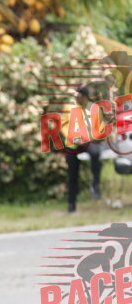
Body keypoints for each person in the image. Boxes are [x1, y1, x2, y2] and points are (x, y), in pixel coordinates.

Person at [61, 85, 103, 213]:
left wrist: (87, 138)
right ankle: (71, 205)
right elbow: (63, 125)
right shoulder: (69, 107)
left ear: (85, 97)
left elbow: (98, 128)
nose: (77, 99)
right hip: (72, 145)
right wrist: (73, 138)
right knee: (72, 176)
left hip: (87, 142)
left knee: (96, 153)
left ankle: (96, 184)